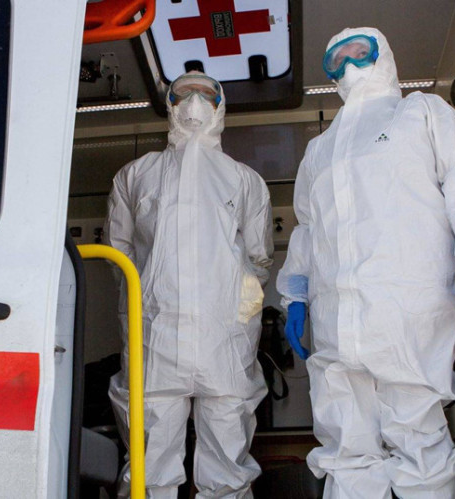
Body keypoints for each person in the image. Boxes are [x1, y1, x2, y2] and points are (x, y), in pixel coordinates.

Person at [277, 27, 455, 499]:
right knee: (345, 446)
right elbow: (308, 229)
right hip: (337, 319)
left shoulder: (421, 112)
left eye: (361, 52)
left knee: (418, 437)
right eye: (338, 60)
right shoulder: (320, 149)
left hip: (407, 309)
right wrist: (295, 294)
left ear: (384, 55)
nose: (351, 65)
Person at [106, 71, 274, 498]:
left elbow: (258, 261)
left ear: (220, 106)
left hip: (224, 341)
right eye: (183, 93)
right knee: (149, 462)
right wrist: (145, 307)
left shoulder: (244, 179)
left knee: (228, 456)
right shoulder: (135, 175)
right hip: (156, 337)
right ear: (169, 105)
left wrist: (241, 320)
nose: (194, 101)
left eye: (205, 93)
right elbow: (119, 254)